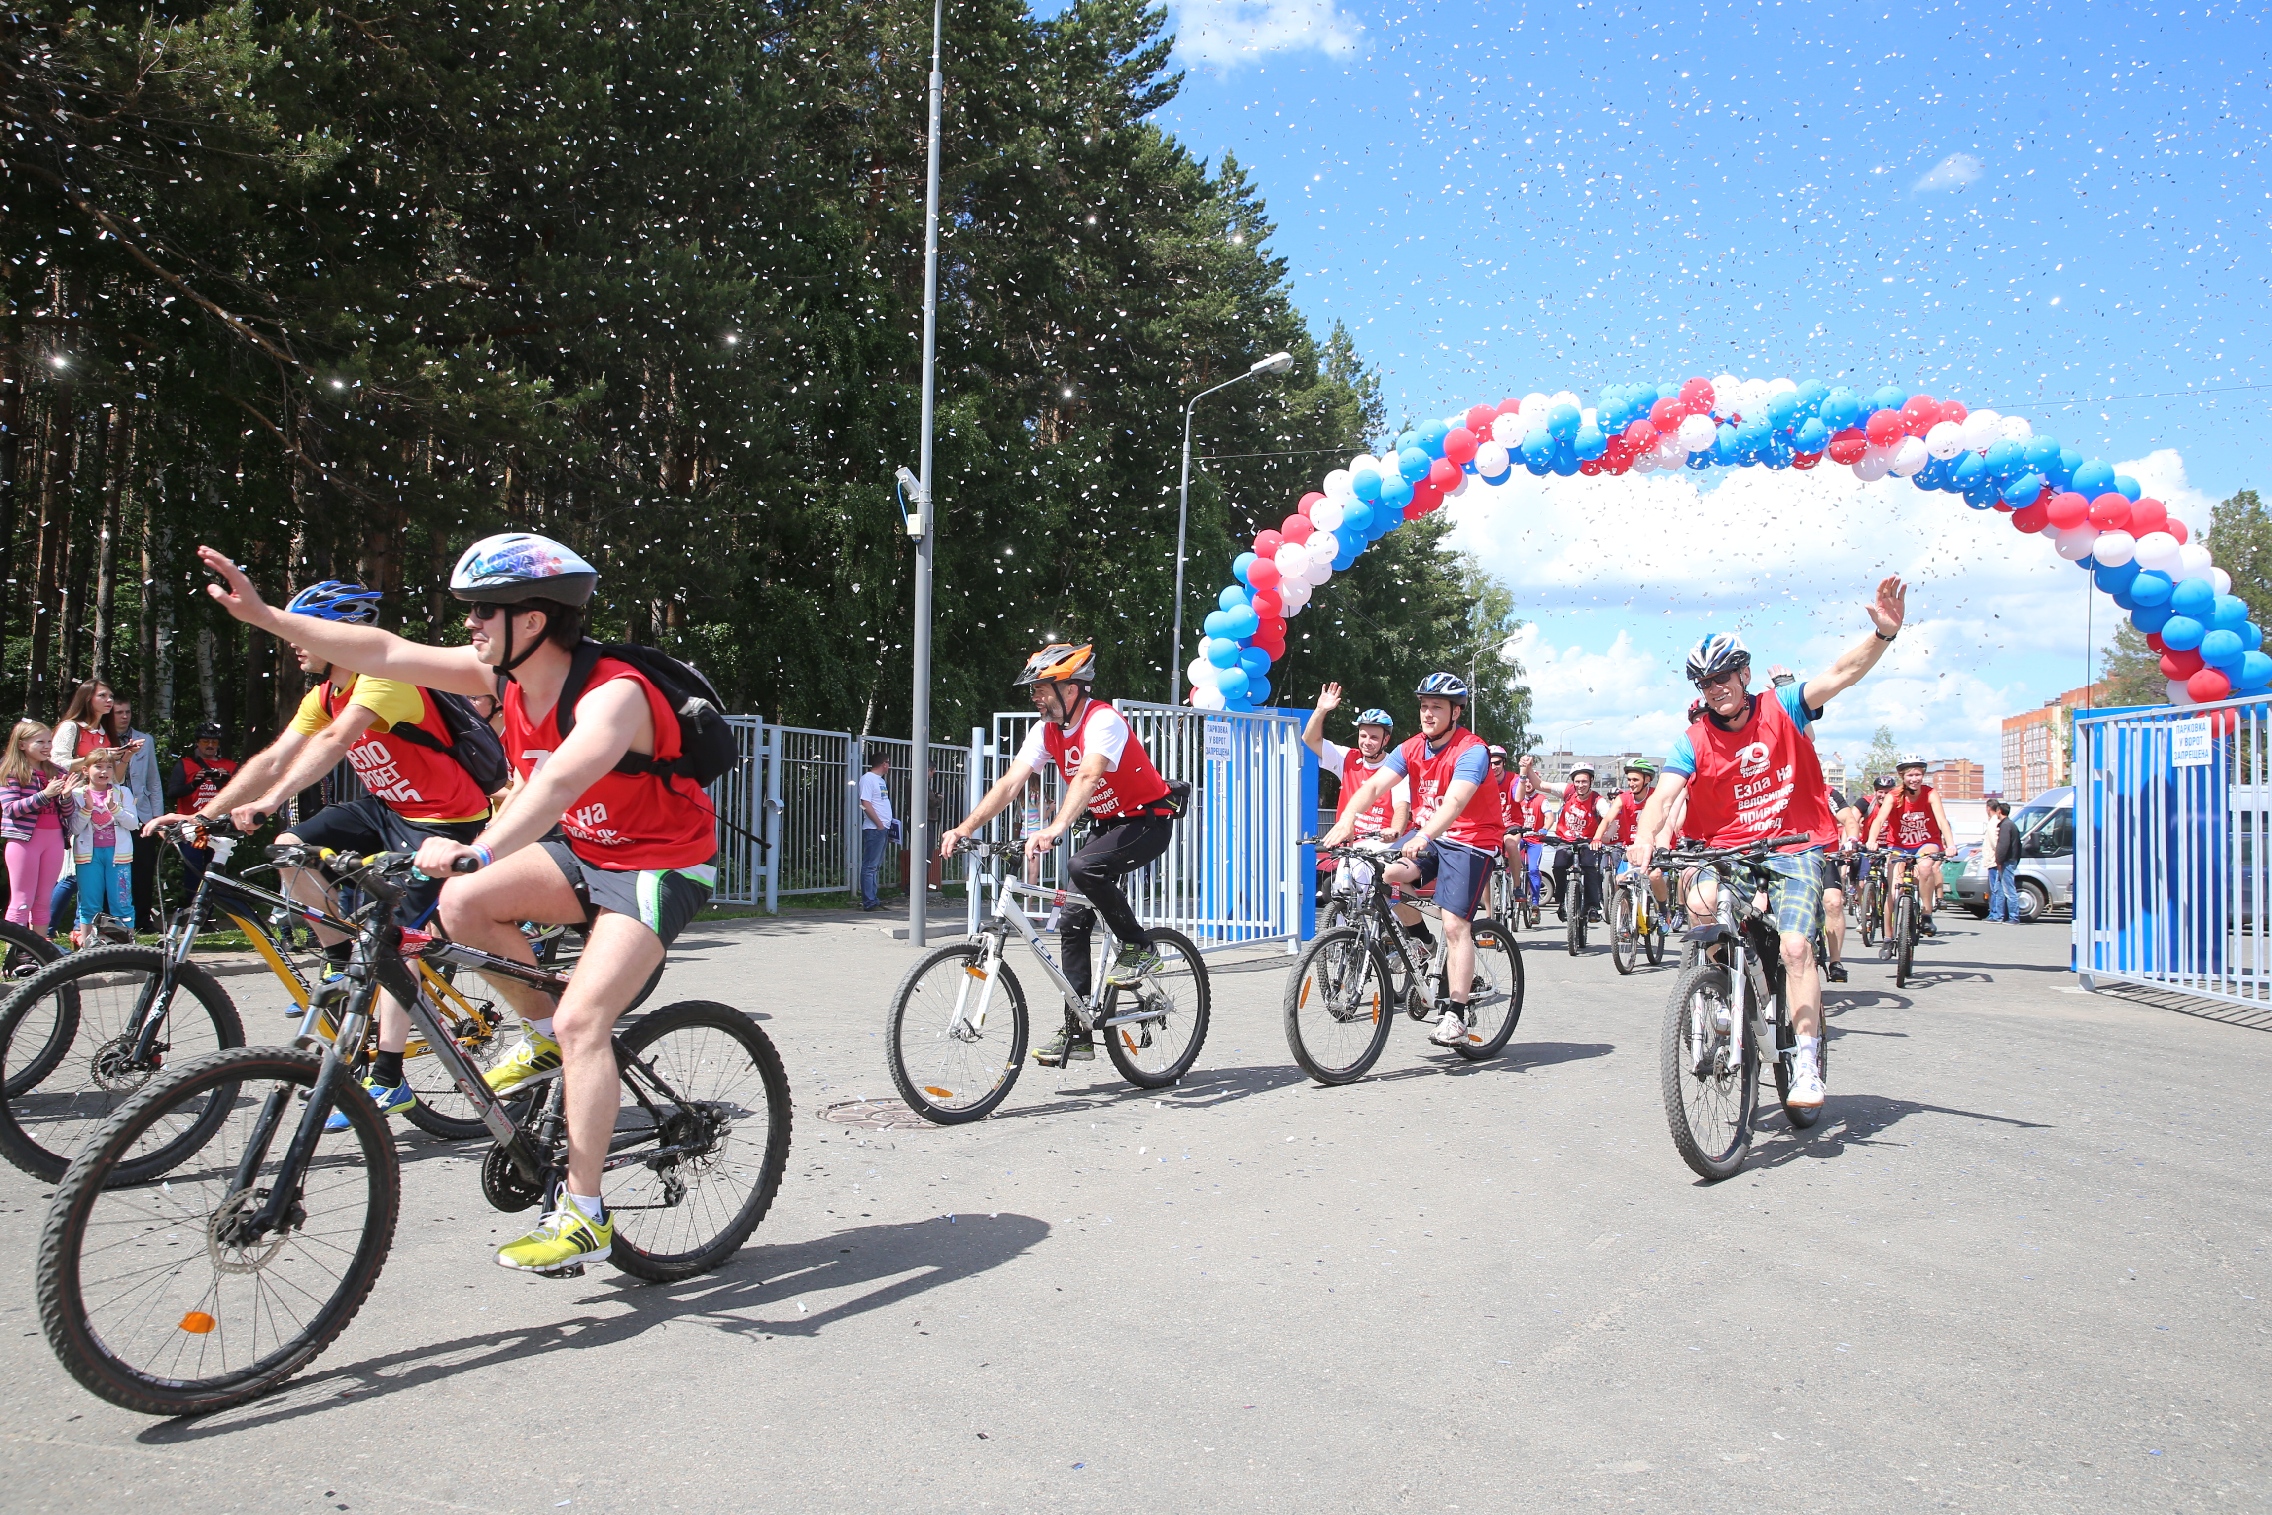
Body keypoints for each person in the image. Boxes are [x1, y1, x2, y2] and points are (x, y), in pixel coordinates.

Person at [198, 533, 719, 1275]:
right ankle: (544, 1034)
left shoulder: (613, 693)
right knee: (463, 906)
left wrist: (481, 845)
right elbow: (380, 650)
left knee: (584, 1018)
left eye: (482, 612)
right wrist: (268, 616)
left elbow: (556, 786)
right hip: (586, 850)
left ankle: (585, 1211)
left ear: (531, 621)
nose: (470, 625)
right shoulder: (500, 671)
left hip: (658, 863)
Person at [149, 579, 501, 1127]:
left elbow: (336, 742)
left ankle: (388, 1078)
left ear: (344, 635)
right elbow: (276, 756)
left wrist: (268, 803)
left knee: (395, 945)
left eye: (309, 629)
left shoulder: (384, 678)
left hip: (444, 820)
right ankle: (339, 962)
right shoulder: (325, 691)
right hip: (385, 809)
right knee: (291, 848)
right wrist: (206, 814)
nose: (297, 640)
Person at [1629, 576, 1909, 1112]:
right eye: (1705, 683)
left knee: (1797, 947)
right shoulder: (1692, 740)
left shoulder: (1782, 707)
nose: (1715, 689)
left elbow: (1840, 675)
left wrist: (1882, 636)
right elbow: (1661, 799)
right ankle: (1716, 994)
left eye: (1723, 678)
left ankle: (1805, 1058)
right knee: (1700, 902)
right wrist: (1644, 841)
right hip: (1727, 852)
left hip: (1791, 847)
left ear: (1744, 674)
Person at [941, 643, 1179, 1066]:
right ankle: (1079, 1031)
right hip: (1109, 824)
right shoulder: (1045, 731)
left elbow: (1089, 775)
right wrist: (966, 827)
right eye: (1033, 689)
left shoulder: (1102, 720)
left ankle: (1141, 947)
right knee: (1071, 919)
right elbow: (1010, 783)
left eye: (1042, 688)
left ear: (1071, 688)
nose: (1035, 696)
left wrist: (1055, 828)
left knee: (1082, 865)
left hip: (1146, 821)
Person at [1321, 672, 1503, 1048]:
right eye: (1424, 706)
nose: (1428, 714)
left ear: (1456, 712)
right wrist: (1347, 819)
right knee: (1385, 875)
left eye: (1437, 707)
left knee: (1455, 923)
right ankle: (1422, 942)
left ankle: (1455, 1012)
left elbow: (1454, 803)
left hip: (1472, 841)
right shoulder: (1411, 747)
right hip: (1429, 837)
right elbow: (1372, 786)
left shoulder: (1472, 750)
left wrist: (1421, 835)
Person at [1866, 756, 1952, 939]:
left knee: (1925, 867)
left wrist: (1951, 844)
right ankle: (1888, 938)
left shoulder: (1930, 794)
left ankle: (1927, 914)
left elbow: (1942, 820)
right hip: (1899, 845)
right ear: (1902, 776)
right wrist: (1871, 841)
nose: (1915, 779)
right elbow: (1879, 820)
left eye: (1918, 775)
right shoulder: (1894, 796)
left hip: (1926, 842)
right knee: (1894, 889)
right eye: (1910, 775)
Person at [2, 721, 75, 936]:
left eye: (49, 741)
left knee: (44, 901)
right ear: (22, 744)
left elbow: (68, 812)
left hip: (54, 841)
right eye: (40, 742)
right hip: (24, 842)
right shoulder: (10, 771)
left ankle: (39, 953)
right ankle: (15, 958)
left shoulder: (58, 771)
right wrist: (46, 794)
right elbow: (11, 809)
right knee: (22, 900)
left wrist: (66, 796)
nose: (47, 746)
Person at [1525, 754, 1610, 923]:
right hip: (1565, 840)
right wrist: (1527, 768)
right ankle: (1562, 901)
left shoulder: (1597, 800)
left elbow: (1609, 819)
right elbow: (1539, 784)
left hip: (1587, 842)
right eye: (1577, 781)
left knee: (1589, 868)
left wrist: (1600, 838)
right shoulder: (1568, 791)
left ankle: (1592, 906)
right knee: (1559, 866)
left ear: (1591, 781)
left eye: (1584, 781)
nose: (1580, 785)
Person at [65, 750, 137, 947]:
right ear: (85, 770)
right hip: (88, 856)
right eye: (98, 766)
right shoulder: (78, 794)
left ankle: (128, 946)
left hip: (118, 856)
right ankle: (88, 946)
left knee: (122, 902)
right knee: (90, 904)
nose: (104, 771)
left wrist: (115, 808)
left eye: (109, 767)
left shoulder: (123, 792)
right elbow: (75, 828)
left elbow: (133, 824)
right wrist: (87, 808)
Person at [105, 699, 166, 929]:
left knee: (142, 866)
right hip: (111, 811)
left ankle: (142, 918)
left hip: (141, 812)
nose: (124, 716)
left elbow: (154, 780)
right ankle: (112, 917)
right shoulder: (104, 740)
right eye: (119, 712)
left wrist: (157, 818)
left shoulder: (145, 740)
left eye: (128, 712)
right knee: (114, 865)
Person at [163, 723, 238, 899]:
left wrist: (224, 780)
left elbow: (240, 795)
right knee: (194, 868)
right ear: (197, 743)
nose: (210, 745)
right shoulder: (185, 764)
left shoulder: (230, 766)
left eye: (214, 742)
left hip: (219, 825)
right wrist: (193, 784)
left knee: (216, 868)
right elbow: (172, 792)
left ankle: (211, 912)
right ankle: (192, 909)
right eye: (205, 741)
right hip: (194, 825)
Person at [1594, 759, 1667, 913]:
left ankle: (1662, 910)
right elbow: (1608, 819)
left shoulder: (1656, 796)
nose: (1631, 783)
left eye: (1635, 779)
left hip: (1653, 848)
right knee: (1620, 880)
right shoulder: (1623, 798)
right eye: (1629, 780)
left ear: (1647, 779)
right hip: (1631, 849)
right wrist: (1597, 838)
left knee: (1655, 876)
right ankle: (1625, 921)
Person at [1820, 783, 1861, 983]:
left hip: (1824, 857)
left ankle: (1835, 961)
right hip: (1789, 858)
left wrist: (1852, 839)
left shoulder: (1828, 793)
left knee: (1834, 902)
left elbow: (1849, 819)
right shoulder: (1780, 788)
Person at [857, 750, 894, 911]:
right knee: (870, 866)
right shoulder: (868, 779)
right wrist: (879, 823)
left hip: (881, 827)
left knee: (875, 866)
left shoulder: (879, 780)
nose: (889, 766)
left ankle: (873, 898)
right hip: (874, 828)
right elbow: (864, 803)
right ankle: (869, 901)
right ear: (883, 763)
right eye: (888, 763)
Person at [1986, 800, 2020, 922]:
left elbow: (2002, 846)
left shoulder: (2006, 826)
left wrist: (1999, 861)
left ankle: (2014, 917)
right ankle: (1999, 915)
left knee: (2009, 890)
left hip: (2006, 861)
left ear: (1999, 811)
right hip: (2009, 860)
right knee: (1999, 889)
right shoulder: (2010, 824)